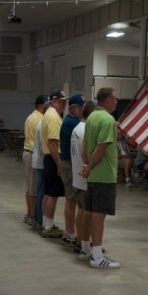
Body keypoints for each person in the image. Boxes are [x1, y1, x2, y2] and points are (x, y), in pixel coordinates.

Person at [80, 87, 120, 269]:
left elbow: (84, 145)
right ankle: (97, 256)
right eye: (115, 98)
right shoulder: (107, 119)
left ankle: (86, 249)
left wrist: (87, 165)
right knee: (98, 217)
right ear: (108, 100)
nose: (117, 102)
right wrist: (91, 167)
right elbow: (101, 148)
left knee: (90, 213)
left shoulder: (91, 118)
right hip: (104, 175)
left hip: (94, 176)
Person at [70, 101, 96, 253]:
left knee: (81, 211)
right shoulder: (86, 129)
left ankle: (80, 240)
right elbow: (83, 149)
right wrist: (89, 166)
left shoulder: (77, 128)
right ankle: (84, 243)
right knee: (87, 213)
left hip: (77, 174)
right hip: (84, 175)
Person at [40, 90, 67, 238]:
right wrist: (59, 163)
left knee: (48, 192)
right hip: (53, 157)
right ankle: (49, 227)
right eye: (62, 102)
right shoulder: (53, 117)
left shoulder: (49, 115)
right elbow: (52, 143)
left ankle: (46, 223)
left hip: (49, 157)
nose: (64, 105)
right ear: (55, 102)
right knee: (53, 194)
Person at [60, 95, 85, 246]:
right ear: (73, 108)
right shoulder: (72, 123)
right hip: (69, 164)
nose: (82, 111)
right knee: (71, 200)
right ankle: (70, 232)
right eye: (81, 108)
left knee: (71, 200)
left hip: (70, 163)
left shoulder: (71, 121)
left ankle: (70, 231)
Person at [22, 95, 45, 225]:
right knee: (33, 189)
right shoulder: (39, 119)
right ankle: (32, 216)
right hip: (32, 154)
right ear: (42, 106)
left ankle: (29, 213)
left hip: (28, 153)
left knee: (30, 187)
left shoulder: (31, 117)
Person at [32, 99, 51, 231]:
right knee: (42, 192)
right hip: (43, 162)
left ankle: (38, 218)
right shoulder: (43, 124)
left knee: (40, 191)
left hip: (39, 160)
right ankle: (40, 219)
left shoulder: (40, 123)